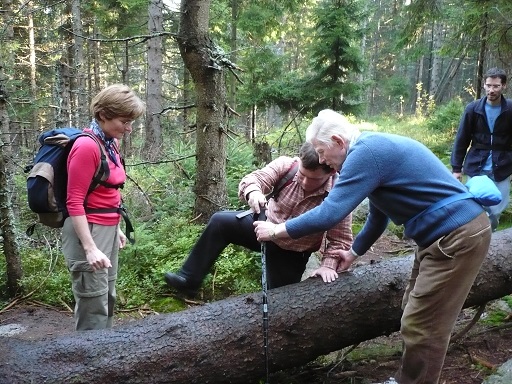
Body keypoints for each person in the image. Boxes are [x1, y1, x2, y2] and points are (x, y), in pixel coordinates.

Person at [254, 109, 491, 384]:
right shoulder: (370, 152)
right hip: (442, 237)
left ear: (338, 141)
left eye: (321, 151)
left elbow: (330, 213)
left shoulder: (366, 152)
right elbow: (380, 214)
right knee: (413, 311)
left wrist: (277, 230)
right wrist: (354, 253)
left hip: (456, 235)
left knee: (424, 325)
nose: (321, 160)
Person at [164, 142, 353, 296]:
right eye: (302, 176)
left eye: (313, 180)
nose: (304, 183)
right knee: (220, 222)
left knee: (278, 301)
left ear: (331, 172)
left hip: (293, 251)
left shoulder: (340, 192)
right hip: (261, 228)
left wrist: (328, 266)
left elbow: (340, 239)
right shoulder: (287, 165)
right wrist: (253, 192)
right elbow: (255, 179)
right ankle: (189, 280)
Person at [62, 84, 145, 331]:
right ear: (103, 115)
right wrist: (89, 249)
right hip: (87, 230)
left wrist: (116, 227)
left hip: (107, 228)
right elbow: (74, 201)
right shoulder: (87, 146)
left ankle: (104, 355)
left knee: (107, 295)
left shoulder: (109, 143)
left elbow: (107, 191)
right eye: (124, 121)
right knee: (93, 302)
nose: (129, 128)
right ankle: (87, 364)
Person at [451, 67, 512, 231]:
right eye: (488, 85)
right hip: (477, 164)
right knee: (474, 205)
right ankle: (476, 237)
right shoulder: (473, 108)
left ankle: (490, 235)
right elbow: (462, 139)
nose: (491, 90)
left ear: (503, 86)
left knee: (496, 207)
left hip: (503, 166)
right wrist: (456, 168)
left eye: (496, 86)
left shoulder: (510, 110)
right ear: (484, 85)